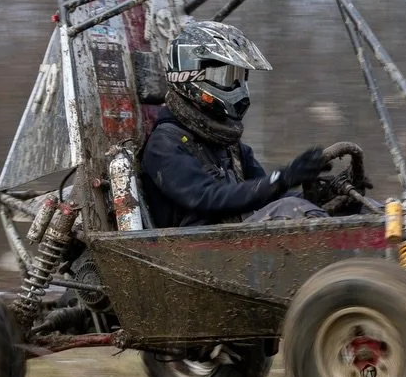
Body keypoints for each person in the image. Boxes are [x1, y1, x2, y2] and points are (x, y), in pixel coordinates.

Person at [140, 21, 330, 228]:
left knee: (347, 206)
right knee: (291, 210)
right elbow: (208, 197)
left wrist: (320, 195)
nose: (237, 87)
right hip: (196, 251)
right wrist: (282, 178)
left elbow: (264, 193)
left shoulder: (227, 142)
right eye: (227, 77)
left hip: (233, 242)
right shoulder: (165, 143)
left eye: (240, 77)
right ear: (191, 76)